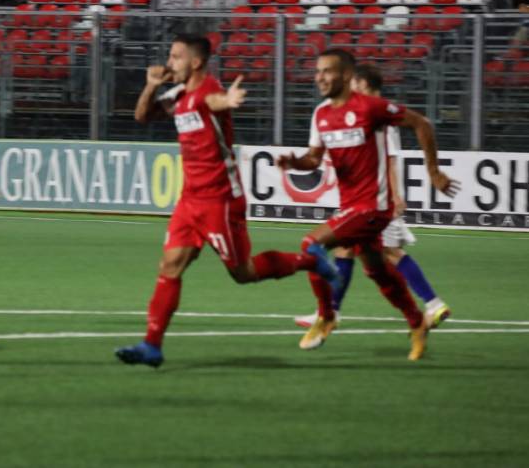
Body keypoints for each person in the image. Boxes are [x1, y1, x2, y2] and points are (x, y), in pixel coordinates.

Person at [114, 36, 341, 368]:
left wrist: (229, 100)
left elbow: (215, 101)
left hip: (220, 200)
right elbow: (141, 116)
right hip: (190, 200)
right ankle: (152, 345)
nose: (169, 62)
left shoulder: (208, 90)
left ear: (195, 62)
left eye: (176, 56)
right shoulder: (178, 95)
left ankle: (310, 261)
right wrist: (150, 86)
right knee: (169, 266)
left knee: (243, 272)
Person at [249, 49, 459, 361]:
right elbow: (314, 158)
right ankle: (417, 322)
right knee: (378, 270)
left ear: (346, 76)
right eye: (317, 71)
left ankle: (327, 316)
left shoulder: (371, 108)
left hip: (374, 207)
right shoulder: (321, 114)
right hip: (350, 206)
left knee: (311, 245)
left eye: (327, 71)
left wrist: (434, 172)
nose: (319, 77)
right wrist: (295, 162)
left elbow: (422, 123)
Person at [294, 63, 451, 330]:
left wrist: (396, 195)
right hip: (366, 200)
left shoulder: (375, 114)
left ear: (363, 84)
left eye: (354, 82)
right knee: (348, 250)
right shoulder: (370, 111)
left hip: (378, 199)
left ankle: (433, 304)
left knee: (389, 253)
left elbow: (390, 159)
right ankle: (331, 311)